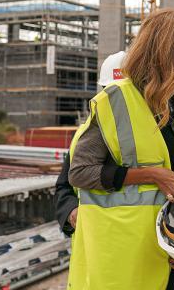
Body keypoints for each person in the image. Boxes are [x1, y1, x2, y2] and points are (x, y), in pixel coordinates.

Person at [67, 9, 174, 289]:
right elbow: (80, 173)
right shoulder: (116, 101)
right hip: (126, 265)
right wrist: (150, 175)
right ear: (166, 49)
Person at [55, 51, 127, 240]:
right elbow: (64, 187)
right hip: (92, 240)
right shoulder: (85, 133)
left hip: (132, 236)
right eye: (109, 92)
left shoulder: (150, 134)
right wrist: (71, 210)